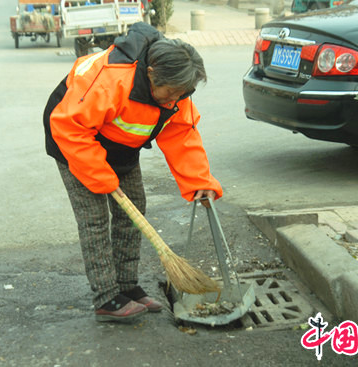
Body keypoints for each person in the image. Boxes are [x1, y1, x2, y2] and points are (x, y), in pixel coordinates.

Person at [43, 22, 223, 323]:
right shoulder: (109, 79)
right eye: (169, 93)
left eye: (180, 94)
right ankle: (106, 298)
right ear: (151, 73)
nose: (172, 100)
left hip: (122, 146)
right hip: (75, 141)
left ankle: (127, 286)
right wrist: (99, 175)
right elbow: (68, 126)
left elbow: (181, 134)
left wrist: (199, 181)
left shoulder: (176, 87)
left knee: (133, 210)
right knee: (94, 220)